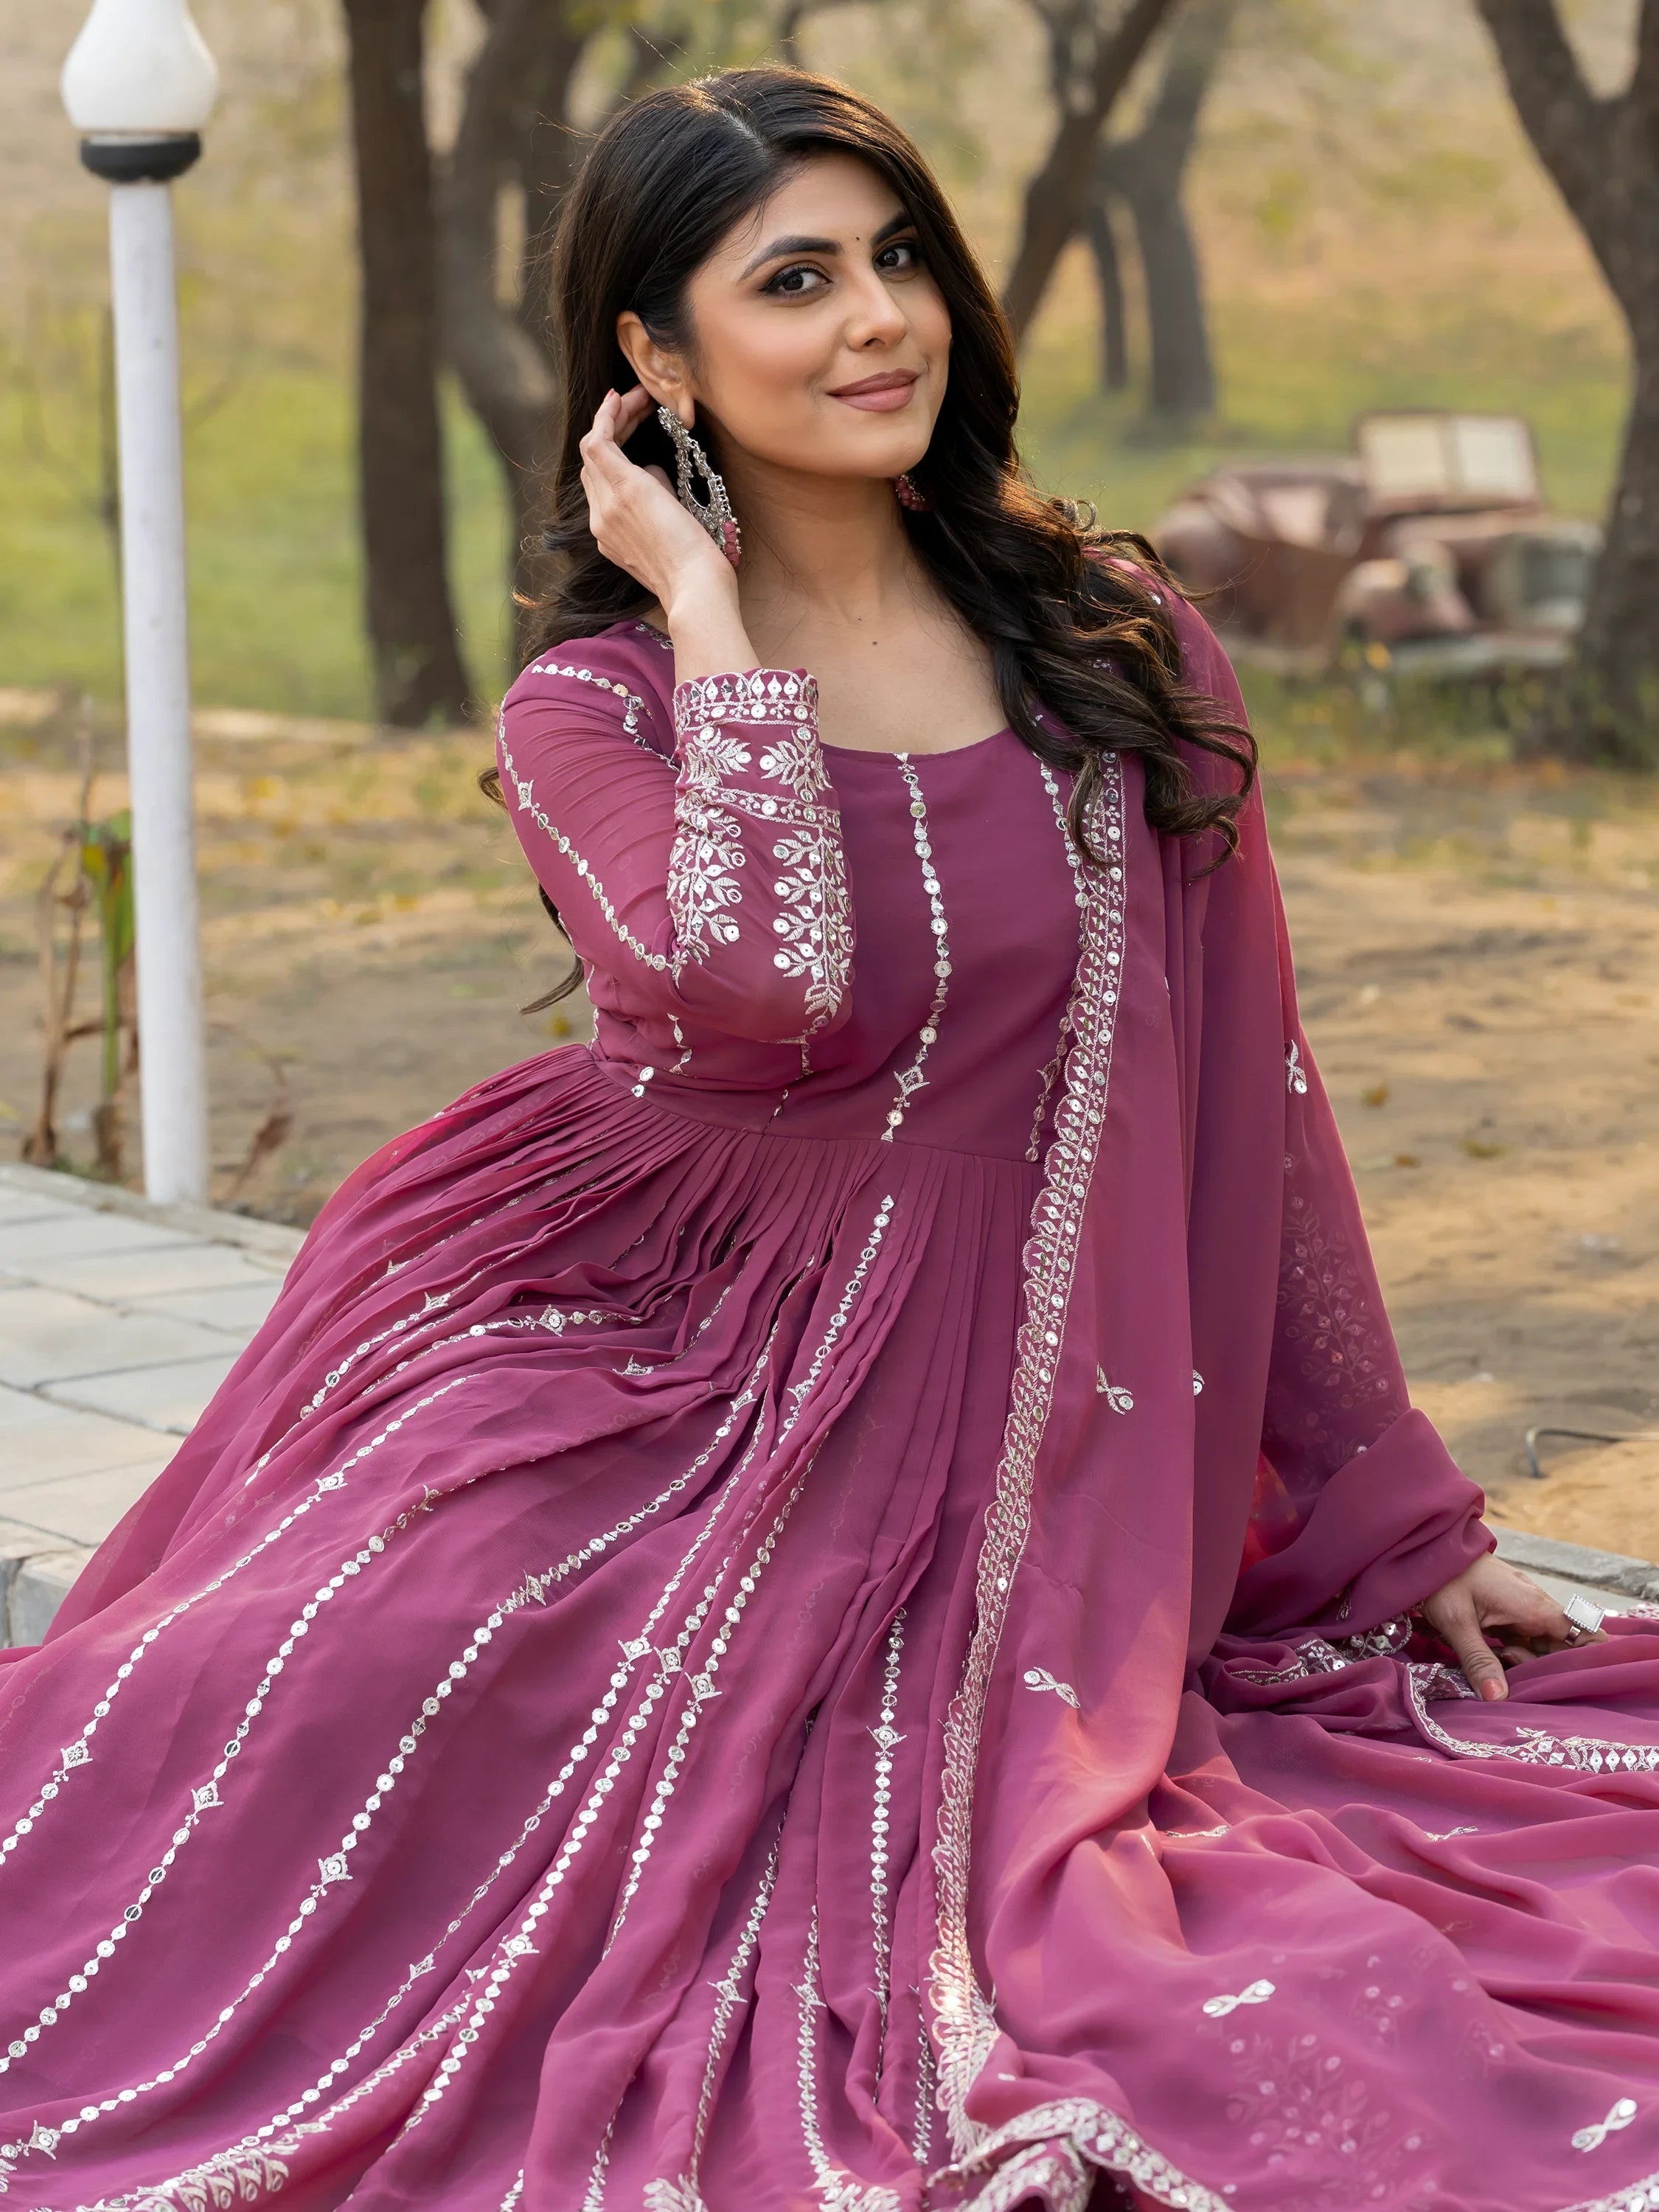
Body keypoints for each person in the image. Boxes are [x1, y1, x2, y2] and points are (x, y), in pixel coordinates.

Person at [1, 63, 1656, 2212]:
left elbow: (1254, 1096)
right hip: (635, 1338)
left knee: (1049, 1849)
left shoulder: (1112, 650)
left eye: (895, 260)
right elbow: (756, 989)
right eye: (795, 280)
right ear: (653, 357)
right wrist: (705, 610)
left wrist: (1401, 1515)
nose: (878, 320)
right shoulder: (590, 709)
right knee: (336, 1684)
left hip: (984, 1404)